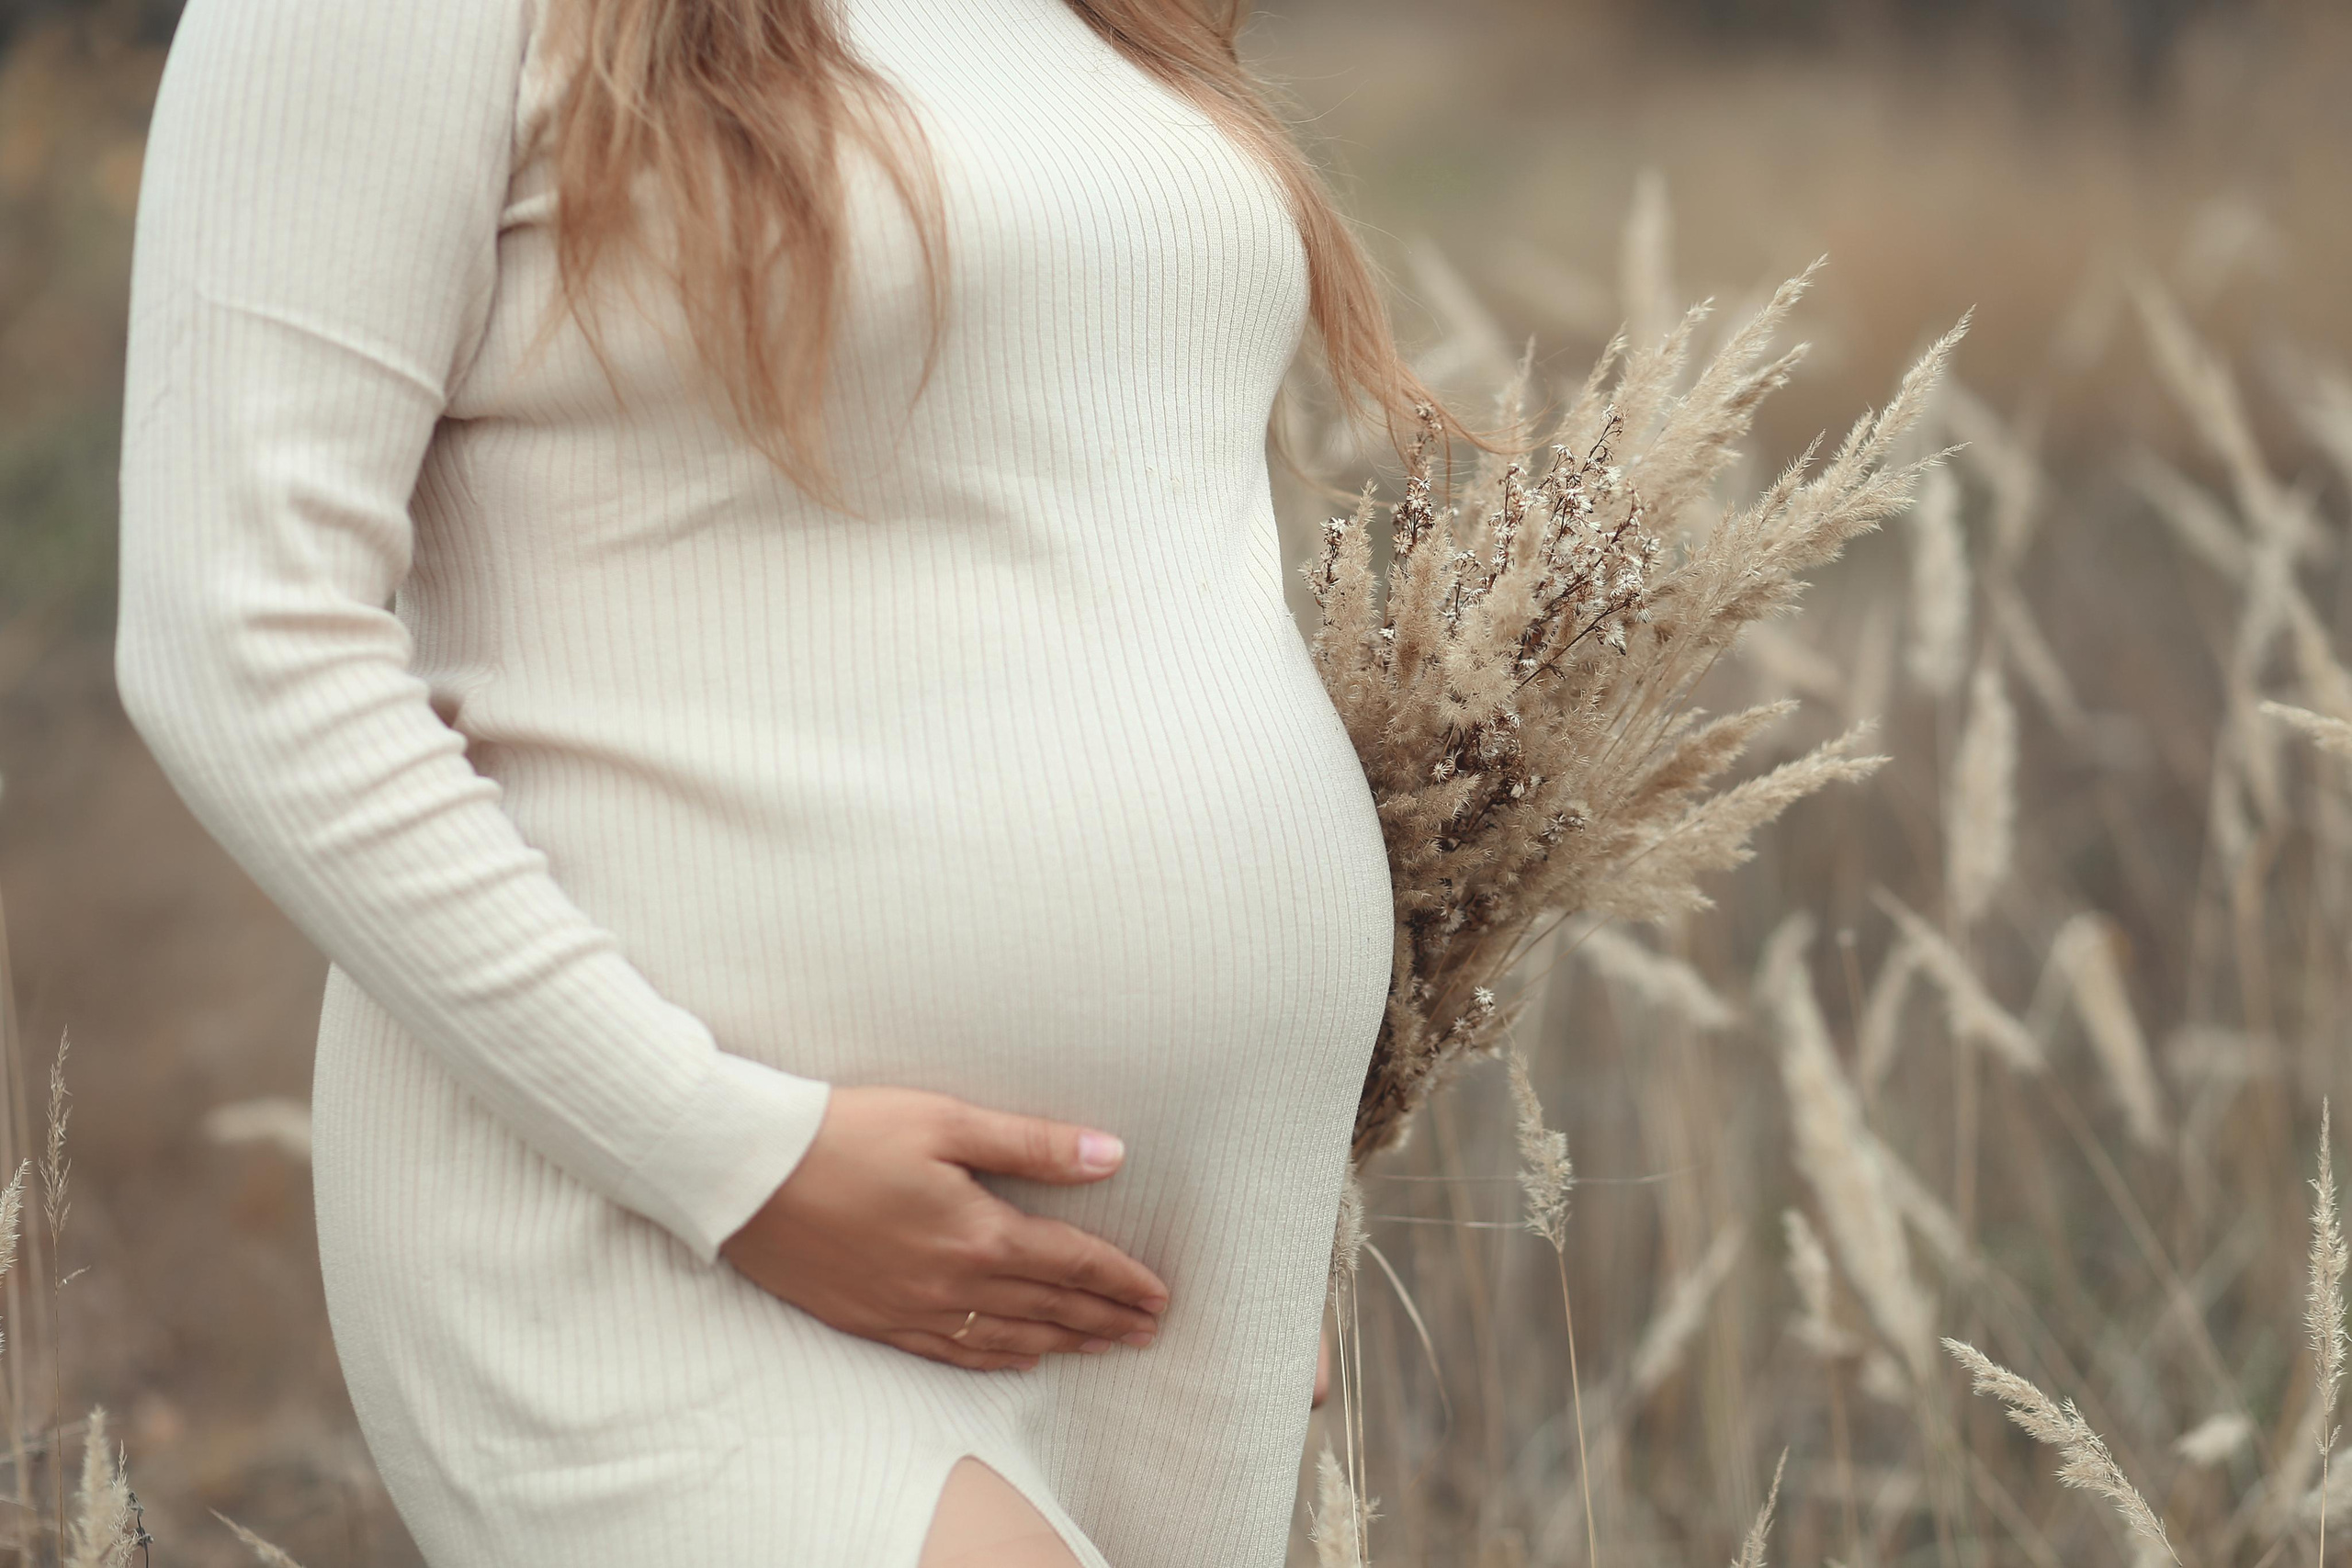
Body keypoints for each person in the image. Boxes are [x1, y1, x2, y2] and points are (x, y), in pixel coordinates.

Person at [115, 0, 1469, 1561]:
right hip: (658, 1220)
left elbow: (1119, 520)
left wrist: (1267, 1186)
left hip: (1161, 1270)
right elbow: (241, 633)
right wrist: (729, 1161)